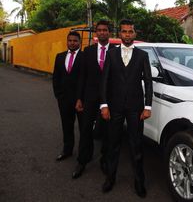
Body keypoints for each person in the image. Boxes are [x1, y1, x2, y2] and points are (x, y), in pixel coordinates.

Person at [99, 19, 153, 197]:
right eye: (124, 31)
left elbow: (148, 82)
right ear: (119, 34)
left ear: (135, 34)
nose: (127, 35)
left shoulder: (142, 56)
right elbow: (104, 80)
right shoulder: (112, 54)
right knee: (113, 144)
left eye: (130, 31)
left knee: (136, 145)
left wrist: (147, 106)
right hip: (114, 107)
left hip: (135, 108)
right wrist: (104, 104)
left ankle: (139, 181)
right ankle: (110, 178)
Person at [72, 20, 113, 179]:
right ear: (96, 33)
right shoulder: (87, 51)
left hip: (109, 99)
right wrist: (79, 98)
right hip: (89, 98)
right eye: (99, 30)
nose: (102, 32)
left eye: (105, 30)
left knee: (107, 132)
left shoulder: (116, 51)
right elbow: (82, 77)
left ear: (109, 32)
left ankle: (104, 160)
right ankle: (82, 161)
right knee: (85, 130)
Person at [52, 31, 83, 161]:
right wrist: (58, 95)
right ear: (67, 42)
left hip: (81, 101)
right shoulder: (59, 56)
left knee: (84, 128)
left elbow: (86, 79)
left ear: (79, 43)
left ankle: (84, 153)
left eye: (75, 41)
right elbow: (56, 77)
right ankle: (67, 150)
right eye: (70, 40)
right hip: (64, 99)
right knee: (67, 126)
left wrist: (81, 98)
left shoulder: (85, 57)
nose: (72, 43)